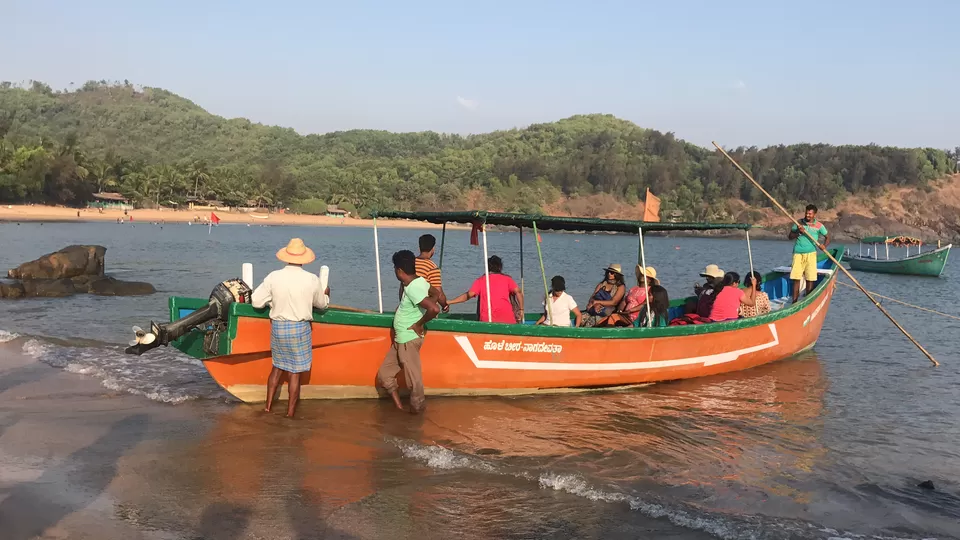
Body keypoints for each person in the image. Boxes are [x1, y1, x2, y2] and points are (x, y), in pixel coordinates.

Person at [251, 238, 330, 418]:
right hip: (299, 328)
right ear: (304, 259)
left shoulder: (273, 276)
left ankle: (268, 407)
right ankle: (290, 414)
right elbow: (321, 305)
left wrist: (271, 302)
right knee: (294, 373)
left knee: (277, 367)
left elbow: (256, 301)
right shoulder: (311, 279)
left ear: (286, 257)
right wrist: (326, 296)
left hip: (278, 327)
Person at [377, 250, 441, 413]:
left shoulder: (413, 288)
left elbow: (434, 308)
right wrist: (420, 309)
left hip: (408, 339)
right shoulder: (418, 281)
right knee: (385, 375)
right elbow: (436, 293)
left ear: (399, 270)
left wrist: (419, 323)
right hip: (400, 340)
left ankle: (417, 417)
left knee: (414, 383)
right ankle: (400, 410)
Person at [448, 255, 524, 324]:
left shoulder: (481, 280)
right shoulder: (507, 279)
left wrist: (450, 302)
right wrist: (521, 309)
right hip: (508, 319)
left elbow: (468, 295)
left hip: (487, 320)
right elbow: (518, 292)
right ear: (500, 267)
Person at [788, 204, 829, 302]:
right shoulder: (798, 223)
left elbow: (828, 237)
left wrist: (824, 246)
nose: (807, 215)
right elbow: (790, 237)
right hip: (798, 254)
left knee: (810, 278)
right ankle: (794, 302)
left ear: (814, 214)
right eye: (806, 213)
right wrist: (799, 231)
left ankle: (808, 300)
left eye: (810, 214)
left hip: (811, 254)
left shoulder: (819, 226)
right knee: (796, 278)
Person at [415, 234, 448, 311]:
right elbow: (438, 293)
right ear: (433, 249)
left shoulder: (411, 263)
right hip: (425, 308)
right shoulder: (432, 267)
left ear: (419, 248)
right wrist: (445, 305)